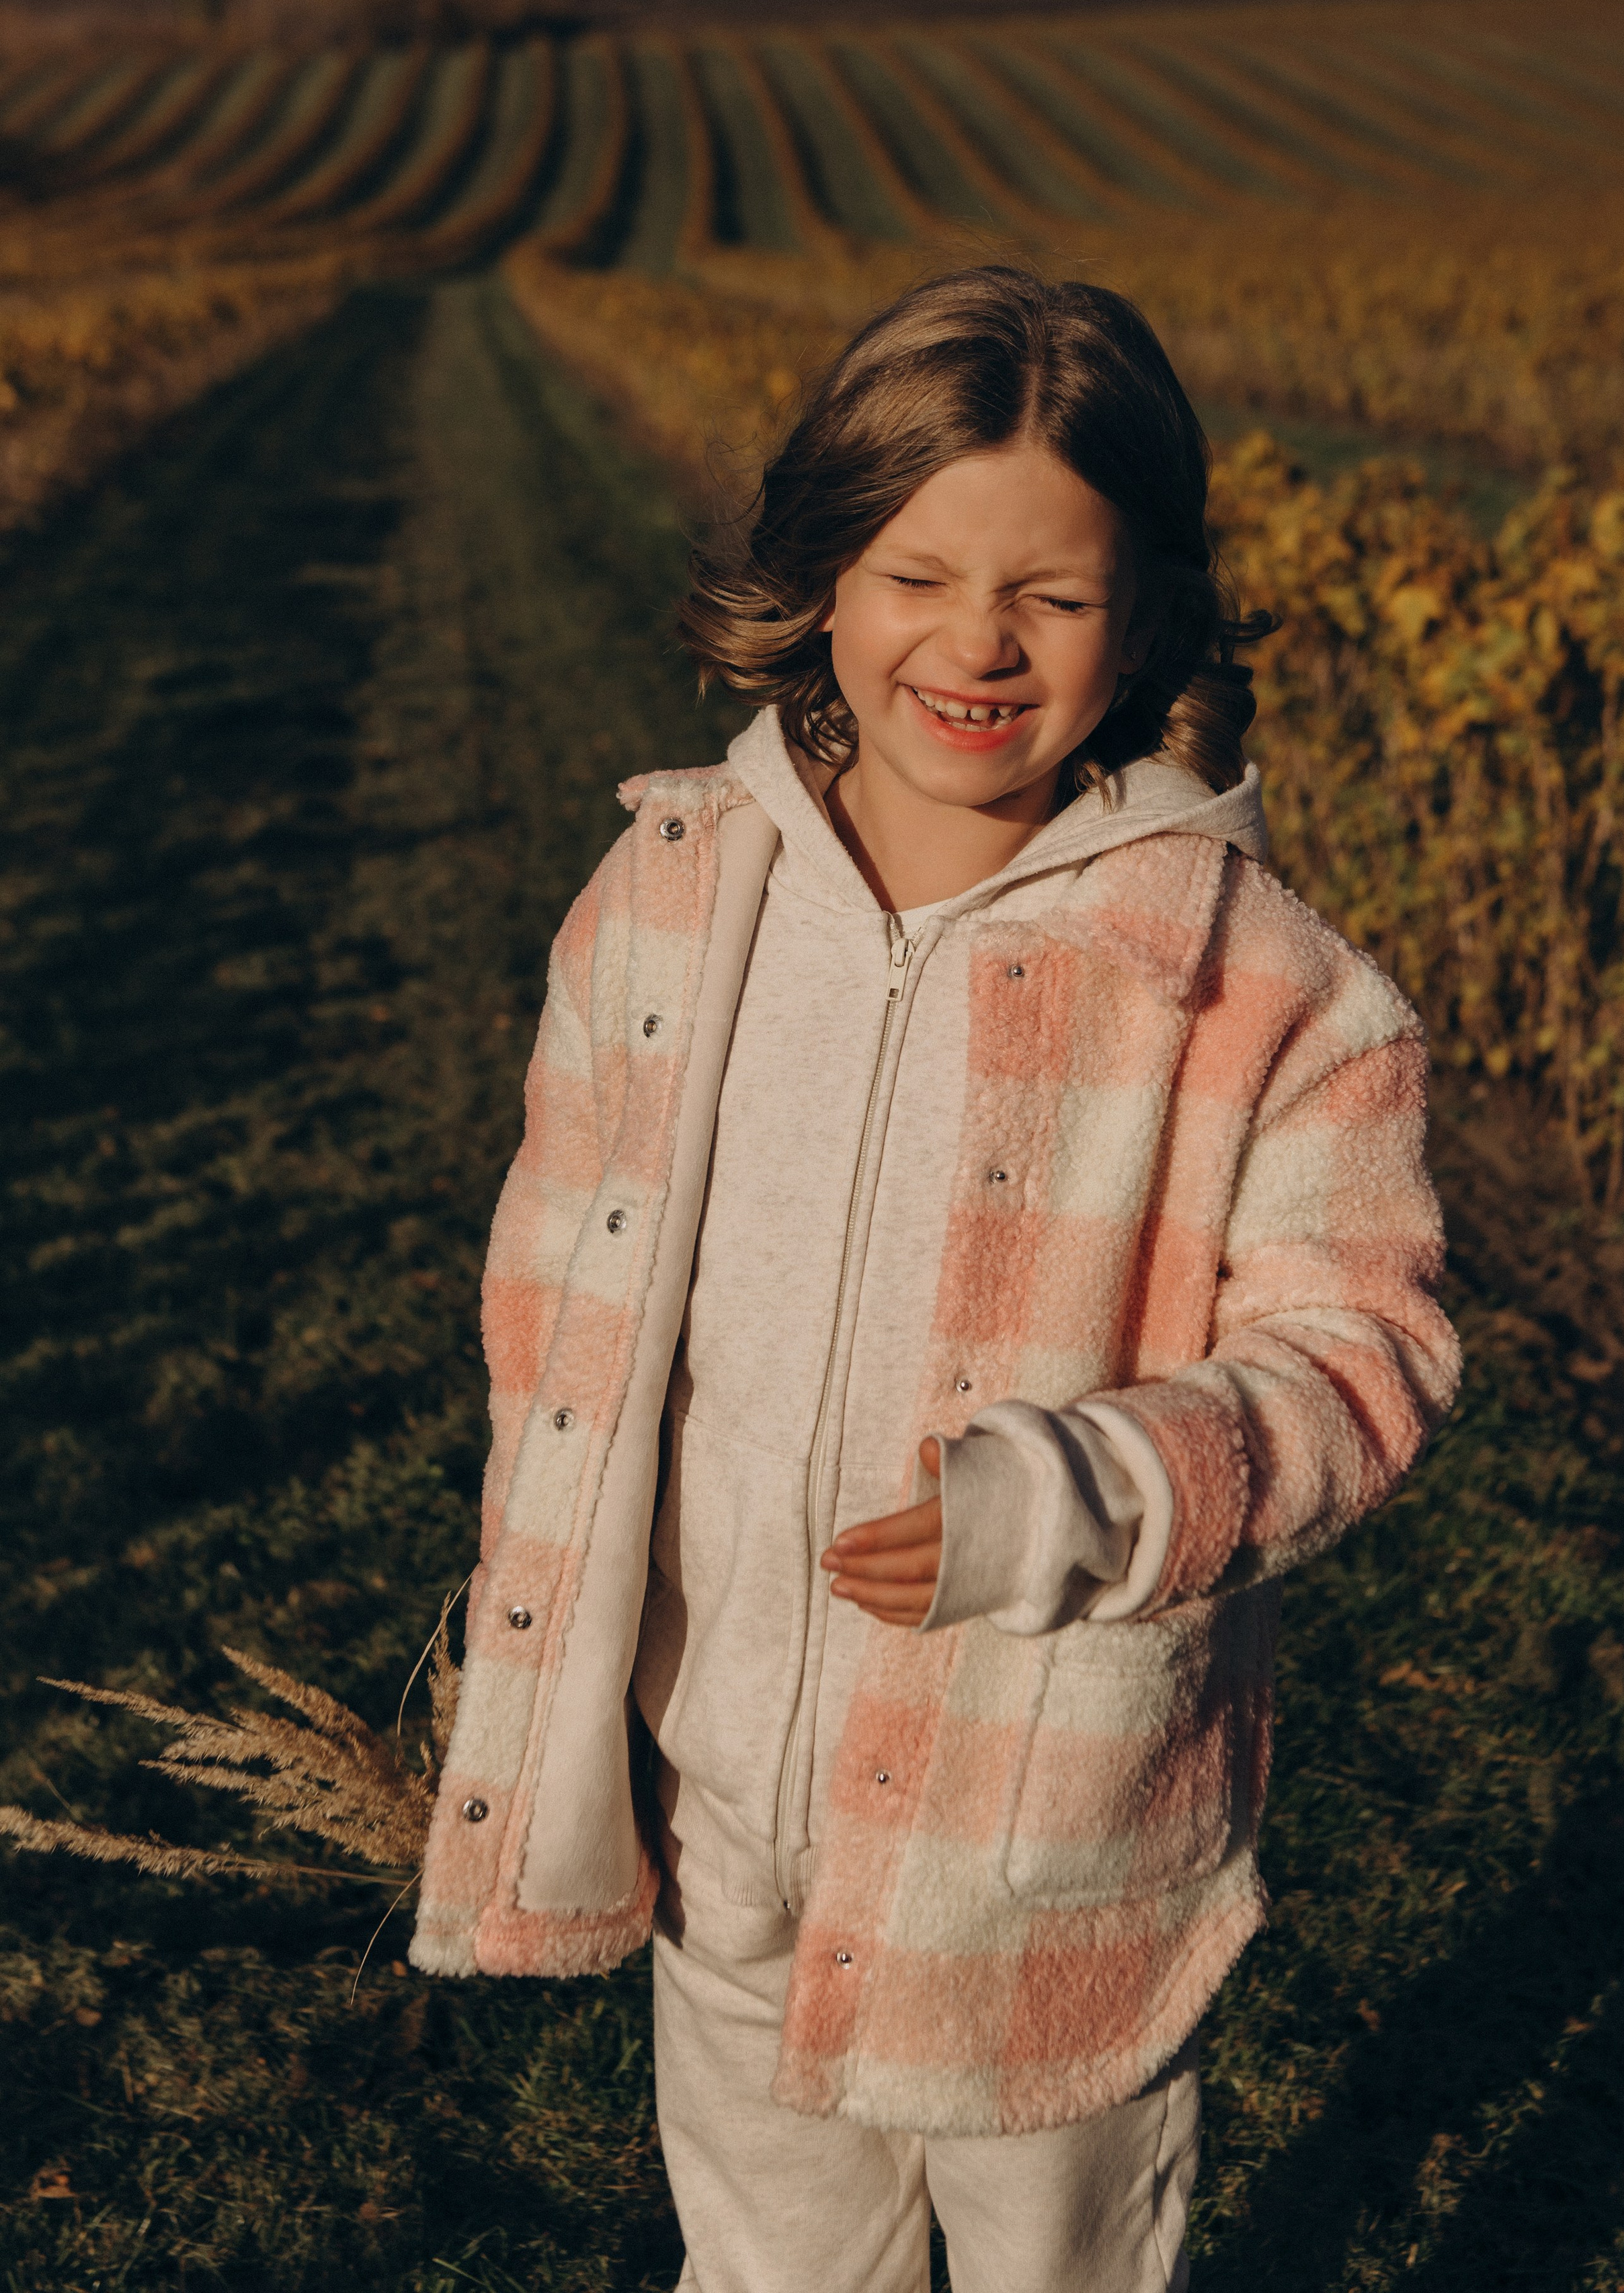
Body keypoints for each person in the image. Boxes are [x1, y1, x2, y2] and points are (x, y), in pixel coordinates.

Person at [411, 266, 1459, 2292]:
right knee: (774, 2261)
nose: (976, 643)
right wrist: (555, 1635)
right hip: (718, 1799)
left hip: (1039, 1848)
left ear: (1143, 618)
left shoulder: (1258, 984)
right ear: (821, 580)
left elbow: (1369, 1353)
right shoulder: (668, 888)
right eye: (917, 574)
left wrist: (1096, 1488)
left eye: (1049, 599)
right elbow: (555, 1301)